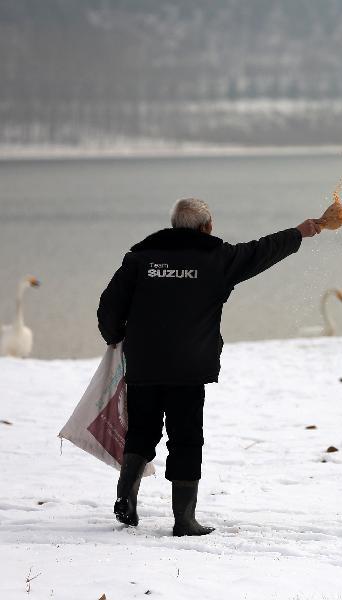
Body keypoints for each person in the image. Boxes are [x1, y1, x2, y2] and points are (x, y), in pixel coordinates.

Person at [97, 198, 321, 536]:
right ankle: (184, 520)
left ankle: (126, 497)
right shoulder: (217, 259)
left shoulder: (139, 259)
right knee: (186, 438)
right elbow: (261, 251)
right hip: (188, 367)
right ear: (207, 227)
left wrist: (116, 337)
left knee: (142, 430)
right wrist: (299, 233)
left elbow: (109, 307)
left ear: (174, 226)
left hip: (144, 362)